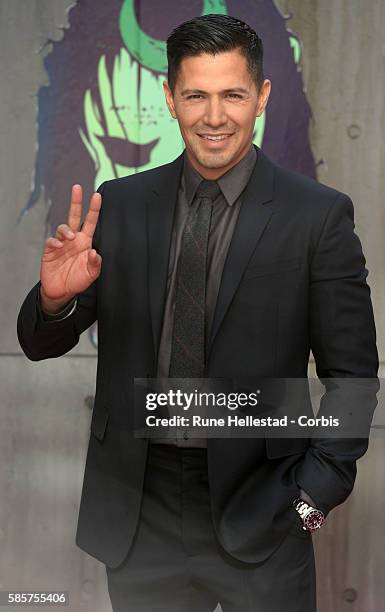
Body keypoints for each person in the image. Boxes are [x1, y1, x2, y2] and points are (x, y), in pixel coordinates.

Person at [17, 14, 378, 612]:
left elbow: (354, 379)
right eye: (196, 96)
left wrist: (310, 500)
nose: (214, 117)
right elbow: (40, 342)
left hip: (263, 508)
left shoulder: (317, 216)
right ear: (170, 98)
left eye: (233, 94)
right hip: (140, 512)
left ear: (261, 96)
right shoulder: (121, 206)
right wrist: (56, 298)